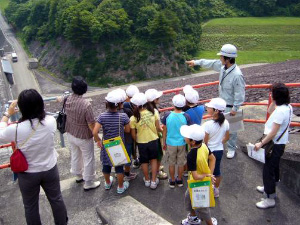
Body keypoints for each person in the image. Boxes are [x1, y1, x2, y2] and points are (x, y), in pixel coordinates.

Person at [0, 89, 68, 225]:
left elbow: (1, 133)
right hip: (49, 168)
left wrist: (8, 114)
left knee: (30, 206)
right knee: (56, 199)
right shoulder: (50, 121)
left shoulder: (16, 129)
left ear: (22, 109)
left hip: (28, 173)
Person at [186, 44, 246, 159]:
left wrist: (235, 108)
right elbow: (211, 63)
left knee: (232, 129)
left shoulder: (237, 75)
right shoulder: (223, 67)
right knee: (220, 126)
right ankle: (222, 145)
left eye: (221, 56)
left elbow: (240, 93)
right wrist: (196, 62)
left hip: (231, 106)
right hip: (221, 104)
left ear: (227, 59)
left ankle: (231, 148)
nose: (220, 58)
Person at [254, 83, 293, 209]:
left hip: (274, 144)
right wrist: (274, 100)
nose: (270, 94)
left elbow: (273, 132)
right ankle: (270, 186)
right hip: (279, 143)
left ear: (276, 96)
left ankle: (270, 198)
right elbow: (270, 110)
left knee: (268, 170)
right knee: (273, 167)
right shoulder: (288, 107)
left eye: (272, 93)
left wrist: (261, 143)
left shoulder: (280, 112)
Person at [64, 76, 101, 190]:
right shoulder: (86, 104)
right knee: (88, 158)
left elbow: (60, 100)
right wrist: (97, 138)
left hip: (70, 132)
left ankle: (78, 175)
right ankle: (89, 182)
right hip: (83, 136)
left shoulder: (67, 99)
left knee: (75, 155)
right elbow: (91, 124)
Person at [93, 90, 130, 194]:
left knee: (106, 165)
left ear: (107, 104)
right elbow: (127, 130)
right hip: (118, 145)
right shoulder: (123, 116)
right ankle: (121, 186)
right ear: (119, 104)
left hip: (107, 145)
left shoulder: (102, 116)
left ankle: (108, 183)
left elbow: (95, 132)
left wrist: (99, 141)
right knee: (119, 168)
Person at [180, 124, 217, 225]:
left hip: (198, 183)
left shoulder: (191, 155)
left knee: (202, 207)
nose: (185, 137)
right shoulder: (204, 145)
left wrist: (206, 175)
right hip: (198, 182)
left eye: (187, 136)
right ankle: (193, 218)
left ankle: (210, 223)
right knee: (189, 199)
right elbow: (213, 159)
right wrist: (210, 174)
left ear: (193, 141)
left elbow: (196, 176)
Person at [130, 92, 160, 189]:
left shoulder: (133, 118)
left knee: (144, 161)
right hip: (153, 139)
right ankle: (154, 181)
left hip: (141, 142)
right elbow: (158, 127)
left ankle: (147, 180)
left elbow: (133, 134)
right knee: (154, 159)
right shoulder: (154, 112)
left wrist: (138, 140)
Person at [162, 94, 191, 188]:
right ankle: (179, 180)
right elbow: (188, 132)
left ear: (173, 104)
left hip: (170, 143)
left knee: (171, 163)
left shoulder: (167, 115)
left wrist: (164, 142)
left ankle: (172, 181)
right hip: (182, 143)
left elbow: (164, 130)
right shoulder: (186, 116)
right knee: (181, 163)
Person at [203, 98, 230, 198]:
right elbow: (227, 137)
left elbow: (205, 142)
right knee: (217, 171)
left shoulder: (207, 125)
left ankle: (207, 189)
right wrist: (219, 142)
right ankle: (216, 190)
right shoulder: (226, 122)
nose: (207, 108)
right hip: (219, 150)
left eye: (209, 107)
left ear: (216, 110)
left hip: (209, 151)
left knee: (207, 171)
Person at [145, 88, 168, 180]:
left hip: (145, 138)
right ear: (154, 100)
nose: (159, 99)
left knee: (150, 156)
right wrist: (164, 132)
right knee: (159, 155)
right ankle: (157, 171)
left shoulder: (143, 109)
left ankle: (153, 168)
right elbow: (158, 128)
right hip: (155, 137)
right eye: (158, 98)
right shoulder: (154, 111)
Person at [115, 88, 137, 181]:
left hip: (116, 139)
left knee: (118, 158)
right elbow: (129, 129)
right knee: (127, 156)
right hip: (127, 139)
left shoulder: (108, 114)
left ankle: (119, 173)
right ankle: (127, 174)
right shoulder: (126, 112)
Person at [124, 84, 140, 168]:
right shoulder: (140, 102)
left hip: (129, 129)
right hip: (138, 127)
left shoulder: (125, 105)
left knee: (132, 145)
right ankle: (138, 158)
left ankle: (135, 159)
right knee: (138, 143)